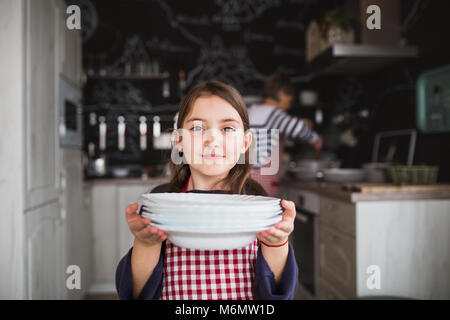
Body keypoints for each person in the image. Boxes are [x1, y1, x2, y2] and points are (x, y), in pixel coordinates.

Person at [115, 80, 298, 300]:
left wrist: (277, 243)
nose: (212, 138)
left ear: (245, 143)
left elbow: (278, 294)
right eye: (198, 127)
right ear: (179, 141)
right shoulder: (160, 202)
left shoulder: (259, 204)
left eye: (227, 128)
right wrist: (145, 243)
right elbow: (136, 293)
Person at [248, 74, 323, 197]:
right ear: (281, 94)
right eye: (289, 101)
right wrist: (315, 139)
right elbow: (297, 128)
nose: (289, 106)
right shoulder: (274, 114)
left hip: (244, 175)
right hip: (261, 176)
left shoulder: (251, 111)